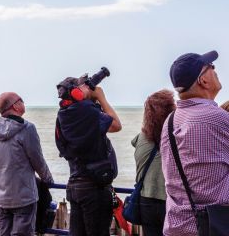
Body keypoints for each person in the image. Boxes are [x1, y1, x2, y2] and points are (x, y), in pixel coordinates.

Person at [160, 50, 229, 235]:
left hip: (178, 225)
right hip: (215, 226)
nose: (215, 70)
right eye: (211, 67)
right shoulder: (219, 118)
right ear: (203, 81)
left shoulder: (171, 120)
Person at [55, 76, 122, 236]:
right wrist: (101, 98)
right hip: (94, 187)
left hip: (75, 185)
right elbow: (116, 125)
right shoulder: (87, 112)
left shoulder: (63, 114)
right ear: (77, 92)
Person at [0, 92, 54, 236]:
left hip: (0, 196)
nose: (23, 103)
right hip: (23, 195)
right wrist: (48, 179)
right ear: (15, 106)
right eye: (21, 100)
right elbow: (37, 159)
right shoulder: (27, 128)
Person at [132, 89, 175, 236]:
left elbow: (134, 142)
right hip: (169, 200)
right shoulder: (175, 133)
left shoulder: (141, 136)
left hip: (145, 200)